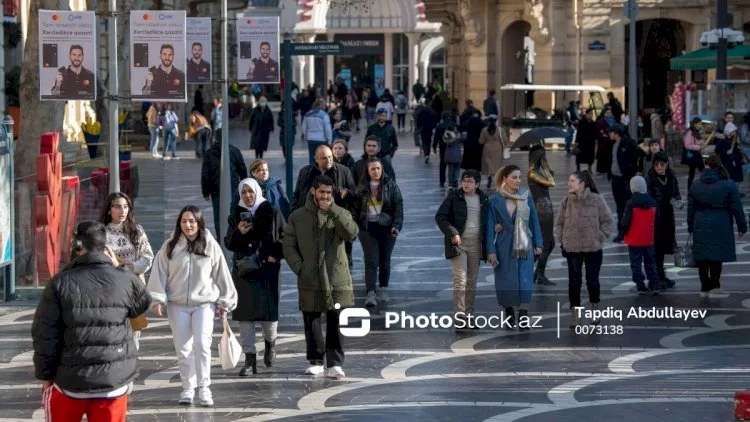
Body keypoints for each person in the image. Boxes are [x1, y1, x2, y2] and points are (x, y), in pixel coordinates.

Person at [33, 221, 151, 421]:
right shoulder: (125, 279)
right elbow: (142, 303)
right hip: (113, 380)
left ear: (77, 246)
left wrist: (45, 375)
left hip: (70, 381)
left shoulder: (60, 282)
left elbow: (45, 334)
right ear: (106, 248)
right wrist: (119, 267)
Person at [148, 206, 238, 406]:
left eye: (192, 221)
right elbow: (159, 272)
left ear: (198, 223)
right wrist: (157, 299)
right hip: (177, 305)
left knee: (202, 345)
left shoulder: (209, 244)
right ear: (179, 224)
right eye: (184, 221)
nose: (188, 225)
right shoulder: (170, 246)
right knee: (184, 348)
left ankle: (205, 388)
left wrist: (226, 300)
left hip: (204, 304)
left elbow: (221, 272)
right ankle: (188, 388)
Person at [282, 175, 359, 379]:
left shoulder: (341, 213)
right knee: (312, 318)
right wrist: (300, 268)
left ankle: (335, 363)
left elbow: (352, 233)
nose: (325, 196)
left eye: (328, 192)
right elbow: (288, 245)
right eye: (321, 192)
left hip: (336, 276)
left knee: (337, 319)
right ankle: (315, 360)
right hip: (310, 276)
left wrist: (332, 210)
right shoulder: (297, 217)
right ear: (313, 192)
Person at [225, 178, 285, 376]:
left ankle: (270, 343)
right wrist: (239, 233)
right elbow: (229, 243)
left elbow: (285, 237)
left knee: (268, 316)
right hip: (244, 271)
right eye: (244, 193)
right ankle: (250, 360)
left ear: (257, 192)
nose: (248, 196)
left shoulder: (271, 211)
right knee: (246, 317)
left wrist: (275, 255)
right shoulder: (235, 216)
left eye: (251, 191)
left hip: (267, 270)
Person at [486, 165, 543, 330]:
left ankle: (523, 313)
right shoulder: (495, 199)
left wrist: (538, 243)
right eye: (514, 177)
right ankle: (509, 311)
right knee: (506, 278)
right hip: (504, 243)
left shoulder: (526, 196)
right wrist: (490, 250)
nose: (518, 180)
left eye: (519, 177)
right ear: (505, 179)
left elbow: (534, 220)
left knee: (524, 278)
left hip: (525, 241)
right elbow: (490, 226)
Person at [555, 171, 614, 327]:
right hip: (572, 248)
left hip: (593, 249)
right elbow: (559, 223)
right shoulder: (566, 202)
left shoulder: (596, 200)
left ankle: (594, 311)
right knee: (574, 282)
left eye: (572, 181)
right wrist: (563, 239)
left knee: (592, 281)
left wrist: (598, 237)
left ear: (582, 183)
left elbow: (608, 221)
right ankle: (576, 315)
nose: (569, 184)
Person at [99, 192, 154, 349]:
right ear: (109, 209)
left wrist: (132, 267)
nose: (122, 211)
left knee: (134, 333)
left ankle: (130, 367)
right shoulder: (101, 233)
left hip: (133, 288)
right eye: (117, 207)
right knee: (111, 333)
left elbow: (148, 257)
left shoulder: (136, 230)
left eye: (125, 207)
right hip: (109, 290)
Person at [688, 154, 747, 298]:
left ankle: (704, 286)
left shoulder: (695, 184)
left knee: (702, 256)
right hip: (721, 222)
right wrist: (742, 226)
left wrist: (690, 226)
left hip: (700, 222)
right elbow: (737, 208)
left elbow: (691, 208)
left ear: (706, 165)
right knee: (716, 255)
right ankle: (715, 285)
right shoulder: (728, 184)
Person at [435, 170, 489, 326]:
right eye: (464, 181)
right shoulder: (454, 197)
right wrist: (453, 233)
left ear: (477, 184)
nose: (466, 184)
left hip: (476, 245)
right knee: (460, 280)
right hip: (459, 244)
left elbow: (488, 220)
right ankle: (460, 317)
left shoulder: (484, 199)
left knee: (472, 282)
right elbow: (440, 216)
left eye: (470, 181)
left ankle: (469, 316)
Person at [354, 157, 404, 306]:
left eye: (378, 169)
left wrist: (396, 226)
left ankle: (383, 288)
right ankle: (370, 293)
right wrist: (356, 225)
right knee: (371, 260)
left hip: (387, 228)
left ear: (382, 170)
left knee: (384, 260)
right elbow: (355, 209)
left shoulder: (391, 186)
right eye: (372, 169)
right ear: (367, 171)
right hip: (367, 228)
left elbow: (399, 208)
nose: (376, 171)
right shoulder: (362, 188)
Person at [618, 176, 661, 295]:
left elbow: (625, 221)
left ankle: (640, 285)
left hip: (634, 238)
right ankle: (654, 284)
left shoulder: (630, 203)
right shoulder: (653, 202)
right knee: (650, 262)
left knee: (635, 263)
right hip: (648, 238)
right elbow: (657, 222)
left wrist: (621, 234)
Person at [646, 152, 680, 288]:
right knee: (655, 248)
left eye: (662, 164)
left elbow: (676, 192)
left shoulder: (671, 175)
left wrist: (677, 201)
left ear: (667, 164)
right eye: (656, 164)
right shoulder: (649, 177)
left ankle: (661, 275)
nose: (659, 167)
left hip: (667, 215)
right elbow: (647, 197)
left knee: (664, 247)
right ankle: (655, 278)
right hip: (654, 216)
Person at [202, 137, 248, 238]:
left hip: (215, 189)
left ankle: (221, 236)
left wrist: (205, 191)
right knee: (234, 211)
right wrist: (245, 183)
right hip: (233, 187)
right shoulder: (234, 151)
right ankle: (234, 235)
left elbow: (205, 173)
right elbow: (242, 169)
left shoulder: (209, 153)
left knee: (218, 214)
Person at [607, 123, 644, 241]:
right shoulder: (613, 144)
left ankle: (631, 230)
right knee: (619, 208)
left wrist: (637, 170)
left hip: (626, 179)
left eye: (611, 132)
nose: (609, 134)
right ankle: (621, 232)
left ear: (616, 133)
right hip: (616, 179)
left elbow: (640, 154)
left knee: (629, 206)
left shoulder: (629, 143)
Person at [527, 145, 556, 286]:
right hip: (542, 209)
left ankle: (537, 273)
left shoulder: (538, 171)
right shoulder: (533, 172)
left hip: (546, 207)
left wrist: (546, 168)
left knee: (550, 244)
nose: (545, 158)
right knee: (545, 244)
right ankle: (537, 274)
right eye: (543, 156)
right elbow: (551, 182)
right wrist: (546, 167)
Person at [301, 98, 333, 164]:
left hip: (311, 139)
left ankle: (312, 172)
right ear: (322, 105)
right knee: (322, 157)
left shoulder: (307, 114)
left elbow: (303, 128)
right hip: (322, 139)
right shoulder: (324, 115)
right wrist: (329, 140)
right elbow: (327, 129)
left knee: (312, 157)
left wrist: (306, 136)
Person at [479, 115, 506, 189]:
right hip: (498, 149)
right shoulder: (500, 130)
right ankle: (496, 181)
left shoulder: (484, 130)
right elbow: (504, 140)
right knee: (496, 165)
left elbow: (481, 141)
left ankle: (489, 176)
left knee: (489, 164)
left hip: (487, 149)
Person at [433, 111, 457, 188]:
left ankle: (442, 180)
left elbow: (436, 138)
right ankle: (453, 180)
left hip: (443, 147)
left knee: (442, 164)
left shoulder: (439, 126)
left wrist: (434, 146)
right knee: (453, 164)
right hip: (453, 147)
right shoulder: (454, 124)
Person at [683, 116, 705, 190]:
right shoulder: (689, 132)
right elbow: (687, 145)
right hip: (692, 155)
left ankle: (703, 186)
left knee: (702, 171)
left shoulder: (697, 132)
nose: (700, 125)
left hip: (697, 155)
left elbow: (699, 141)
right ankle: (690, 189)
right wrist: (699, 147)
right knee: (693, 173)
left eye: (701, 124)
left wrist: (702, 141)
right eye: (699, 124)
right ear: (694, 124)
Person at [595, 108, 615, 174]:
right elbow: (599, 130)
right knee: (603, 155)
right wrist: (603, 134)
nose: (609, 114)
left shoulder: (613, 120)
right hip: (604, 141)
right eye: (608, 112)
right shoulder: (601, 121)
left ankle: (609, 168)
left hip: (612, 141)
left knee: (610, 155)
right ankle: (602, 169)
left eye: (610, 112)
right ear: (604, 113)